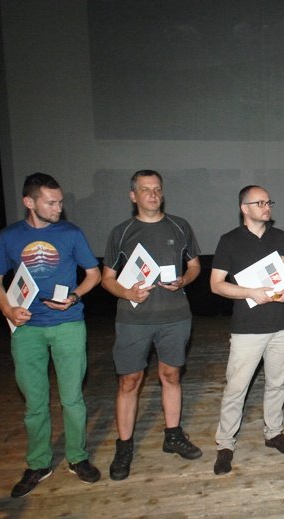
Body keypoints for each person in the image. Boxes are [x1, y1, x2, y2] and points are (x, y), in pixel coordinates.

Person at [0, 173, 102, 497]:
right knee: (35, 402)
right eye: (51, 203)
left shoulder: (71, 233)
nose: (58, 208)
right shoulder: (10, 236)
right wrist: (8, 309)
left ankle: (77, 457)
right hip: (26, 329)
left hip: (68, 325)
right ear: (29, 202)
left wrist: (75, 296)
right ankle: (39, 463)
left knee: (72, 398)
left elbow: (93, 274)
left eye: (60, 202)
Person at [101, 170, 203, 481]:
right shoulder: (121, 232)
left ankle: (172, 435)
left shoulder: (180, 226)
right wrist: (127, 292)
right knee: (129, 382)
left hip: (176, 316)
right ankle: (124, 446)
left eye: (157, 189)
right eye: (145, 189)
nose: (153, 194)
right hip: (133, 319)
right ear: (133, 196)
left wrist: (184, 280)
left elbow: (195, 266)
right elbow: (107, 279)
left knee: (171, 376)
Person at [210, 185, 284, 476]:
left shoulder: (280, 237)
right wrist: (250, 292)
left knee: (277, 384)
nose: (266, 207)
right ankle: (225, 444)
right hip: (247, 328)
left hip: (281, 325)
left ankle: (274, 433)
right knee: (236, 389)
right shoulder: (229, 241)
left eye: (268, 202)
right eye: (259, 203)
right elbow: (216, 284)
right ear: (244, 208)